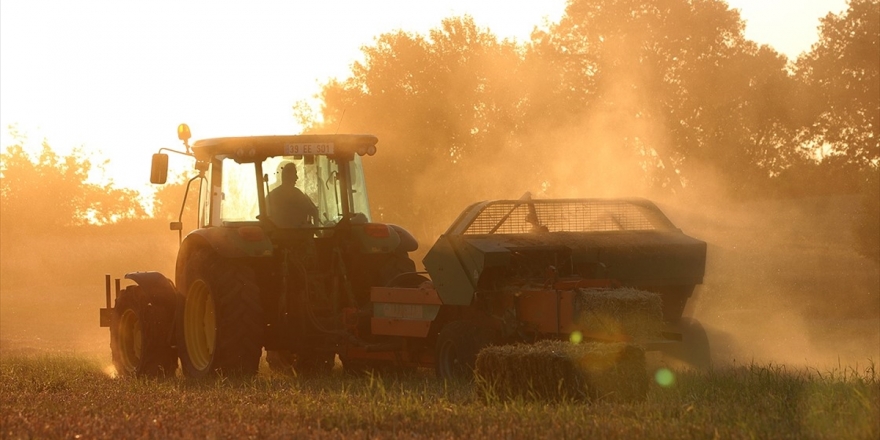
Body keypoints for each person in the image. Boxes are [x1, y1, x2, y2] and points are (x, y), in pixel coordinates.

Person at [267, 163, 319, 227]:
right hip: (297, 235)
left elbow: (314, 211)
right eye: (294, 174)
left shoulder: (271, 196)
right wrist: (316, 229)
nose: (297, 178)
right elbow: (314, 211)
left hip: (278, 236)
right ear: (288, 176)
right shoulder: (298, 195)